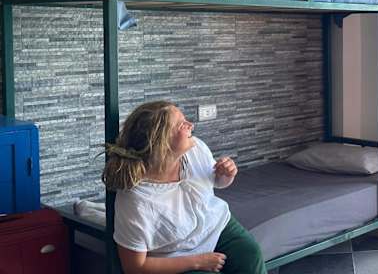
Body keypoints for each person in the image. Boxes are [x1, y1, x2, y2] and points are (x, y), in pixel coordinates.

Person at [102, 100, 266, 274]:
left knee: (250, 254)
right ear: (162, 142)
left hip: (215, 226)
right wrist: (196, 262)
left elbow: (217, 182)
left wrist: (226, 175)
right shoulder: (137, 201)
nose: (191, 125)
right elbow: (134, 267)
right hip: (176, 252)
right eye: (182, 125)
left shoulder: (196, 149)